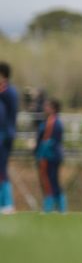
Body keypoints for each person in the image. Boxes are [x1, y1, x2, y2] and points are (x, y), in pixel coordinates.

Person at [36, 98, 65, 213]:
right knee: (49, 180)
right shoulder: (48, 121)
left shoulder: (54, 123)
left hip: (51, 156)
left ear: (53, 109)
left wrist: (42, 149)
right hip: (48, 155)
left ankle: (55, 206)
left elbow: (52, 141)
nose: (45, 108)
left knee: (51, 180)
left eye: (47, 106)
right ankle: (56, 207)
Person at [0, 61, 17, 214]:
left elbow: (8, 116)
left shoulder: (9, 92)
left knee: (2, 167)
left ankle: (7, 203)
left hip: (5, 135)